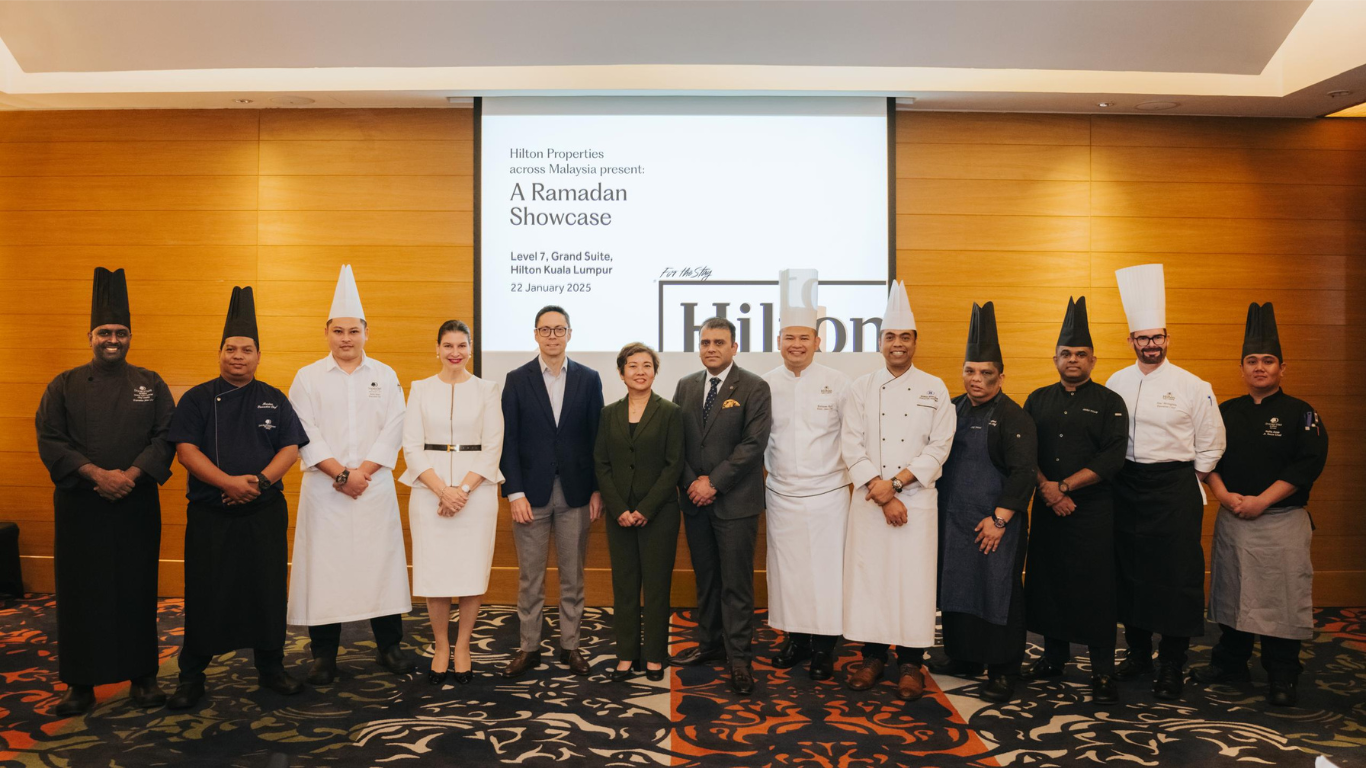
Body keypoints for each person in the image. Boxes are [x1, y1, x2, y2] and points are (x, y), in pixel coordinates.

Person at [35, 267, 175, 716]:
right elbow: (50, 438)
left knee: (137, 587)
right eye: (104, 332)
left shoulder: (150, 383)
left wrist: (130, 475)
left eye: (120, 332)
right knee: (80, 591)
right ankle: (80, 683)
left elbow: (166, 436)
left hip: (136, 504)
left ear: (130, 336)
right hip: (81, 506)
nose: (112, 339)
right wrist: (97, 474)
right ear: (89, 336)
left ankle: (144, 678)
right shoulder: (64, 384)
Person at [166, 286, 310, 709]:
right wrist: (227, 483)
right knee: (207, 591)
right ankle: (192, 674)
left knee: (266, 590)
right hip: (212, 513)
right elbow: (185, 449)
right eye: (231, 349)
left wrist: (260, 483)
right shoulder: (196, 398)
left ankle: (271, 667)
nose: (238, 356)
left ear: (258, 356)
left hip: (263, 512)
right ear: (220, 352)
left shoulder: (273, 397)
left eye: (247, 350)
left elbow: (291, 447)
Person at [1192, 302, 1328, 706]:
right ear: (1242, 368)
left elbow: (1309, 464)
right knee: (1232, 592)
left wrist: (1262, 501)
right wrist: (1221, 494)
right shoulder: (1226, 411)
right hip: (1233, 515)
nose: (1259, 367)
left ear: (1282, 369)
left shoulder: (1301, 413)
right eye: (1252, 360)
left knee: (1280, 599)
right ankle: (1230, 662)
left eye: (1268, 361)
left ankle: (1282, 674)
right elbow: (1204, 455)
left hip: (1281, 520)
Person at [286, 266, 412, 685]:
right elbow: (303, 431)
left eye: (353, 331)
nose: (346, 339)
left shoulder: (385, 374)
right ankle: (324, 656)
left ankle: (388, 647)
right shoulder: (307, 377)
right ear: (327, 333)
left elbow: (395, 426)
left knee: (382, 566)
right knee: (326, 571)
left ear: (365, 332)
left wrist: (364, 472)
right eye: (338, 331)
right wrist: (342, 475)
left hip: (372, 488)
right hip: (326, 491)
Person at [1105, 264, 1226, 701]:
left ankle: (1172, 662)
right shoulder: (1116, 381)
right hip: (1126, 485)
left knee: (1176, 577)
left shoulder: (1194, 385)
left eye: (1157, 337)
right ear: (1131, 341)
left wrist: (1185, 477)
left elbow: (1212, 442)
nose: (1150, 344)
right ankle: (1138, 653)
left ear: (1167, 339)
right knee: (1130, 572)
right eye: (1142, 338)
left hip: (1174, 488)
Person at [841, 281, 955, 701]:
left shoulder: (935, 387)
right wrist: (882, 491)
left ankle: (910, 662)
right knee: (872, 580)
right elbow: (850, 443)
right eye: (891, 336)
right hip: (872, 502)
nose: (898, 344)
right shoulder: (860, 387)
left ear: (915, 342)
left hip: (918, 501)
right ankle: (872, 657)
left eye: (905, 337)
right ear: (880, 341)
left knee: (913, 581)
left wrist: (900, 484)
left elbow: (940, 446)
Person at [1021, 297, 1129, 704]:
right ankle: (1053, 658)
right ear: (1055, 358)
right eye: (1066, 353)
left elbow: (1112, 457)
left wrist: (1063, 488)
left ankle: (1102, 671)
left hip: (1093, 511)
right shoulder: (1037, 399)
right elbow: (1024, 452)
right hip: (1048, 508)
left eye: (1081, 354)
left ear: (1093, 361)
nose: (1073, 360)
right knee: (1049, 582)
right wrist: (1048, 489)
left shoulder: (1109, 402)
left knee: (1095, 588)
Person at [931, 302, 1036, 703]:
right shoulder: (952, 408)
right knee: (957, 588)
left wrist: (1000, 519)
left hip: (995, 523)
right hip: (955, 520)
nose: (976, 379)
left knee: (998, 592)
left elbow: (1024, 472)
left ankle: (1004, 669)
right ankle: (964, 657)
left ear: (1001, 376)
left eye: (985, 373)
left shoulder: (1013, 416)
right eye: (970, 371)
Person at [499, 306, 604, 679]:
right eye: (546, 329)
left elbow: (597, 439)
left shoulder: (589, 379)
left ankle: (570, 646)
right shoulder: (516, 379)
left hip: (576, 493)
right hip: (530, 495)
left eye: (560, 329)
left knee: (573, 575)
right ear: (535, 334)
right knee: (530, 576)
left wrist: (596, 490)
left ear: (570, 334)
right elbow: (508, 441)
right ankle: (529, 647)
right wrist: (514, 493)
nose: (553, 336)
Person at [669, 316, 773, 696]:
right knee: (707, 579)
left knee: (737, 584)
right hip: (695, 502)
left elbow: (752, 445)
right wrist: (692, 484)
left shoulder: (754, 386)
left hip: (736, 503)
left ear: (734, 347)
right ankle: (711, 643)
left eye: (719, 342)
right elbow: (676, 441)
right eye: (705, 342)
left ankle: (740, 658)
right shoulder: (686, 385)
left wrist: (712, 483)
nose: (711, 348)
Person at [400, 320, 504, 685]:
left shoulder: (488, 389)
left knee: (471, 573)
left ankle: (464, 646)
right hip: (429, 491)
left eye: (462, 345)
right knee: (436, 574)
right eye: (448, 345)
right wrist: (442, 490)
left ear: (471, 349)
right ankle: (441, 646)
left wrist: (462, 489)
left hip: (476, 492)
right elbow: (411, 446)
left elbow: (493, 446)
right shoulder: (420, 389)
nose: (455, 352)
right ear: (437, 348)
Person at [761, 270, 851, 681]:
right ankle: (795, 640)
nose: (796, 345)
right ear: (778, 342)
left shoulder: (840, 384)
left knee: (827, 573)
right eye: (789, 338)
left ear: (818, 341)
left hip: (830, 494)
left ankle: (824, 648)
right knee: (788, 572)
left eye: (804, 338)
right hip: (781, 494)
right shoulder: (764, 385)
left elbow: (853, 439)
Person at [593, 342, 684, 682]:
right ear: (621, 372)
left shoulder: (671, 412)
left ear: (655, 372)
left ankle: (656, 656)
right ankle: (626, 654)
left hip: (659, 514)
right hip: (619, 516)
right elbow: (601, 464)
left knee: (657, 586)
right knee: (625, 586)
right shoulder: (608, 414)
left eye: (647, 365)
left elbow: (674, 466)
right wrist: (619, 508)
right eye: (633, 365)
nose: (640, 371)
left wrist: (645, 508)